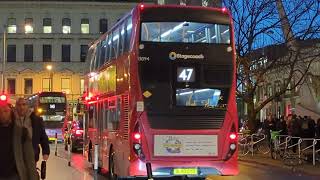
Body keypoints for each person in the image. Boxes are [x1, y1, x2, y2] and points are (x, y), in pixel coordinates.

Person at [0, 102, 38, 180]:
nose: (3, 115)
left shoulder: (21, 132)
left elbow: (29, 159)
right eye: (0, 112)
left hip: (15, 175)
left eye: (6, 111)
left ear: (11, 113)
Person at [15, 98, 50, 162]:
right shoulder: (11, 119)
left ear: (27, 106)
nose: (21, 107)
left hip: (32, 155)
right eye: (19, 105)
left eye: (24, 105)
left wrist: (46, 152)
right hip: (16, 156)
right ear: (16, 106)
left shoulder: (36, 120)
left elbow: (43, 136)